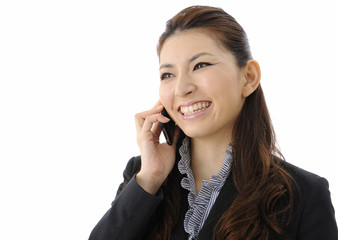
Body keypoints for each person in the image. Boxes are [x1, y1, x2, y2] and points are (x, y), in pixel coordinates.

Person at [89, 5, 337, 240]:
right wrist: (150, 179)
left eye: (201, 65)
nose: (182, 88)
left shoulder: (302, 194)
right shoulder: (143, 177)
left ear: (249, 78)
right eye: (168, 74)